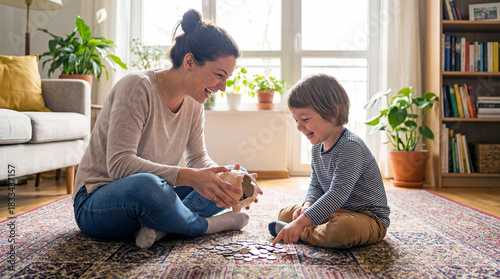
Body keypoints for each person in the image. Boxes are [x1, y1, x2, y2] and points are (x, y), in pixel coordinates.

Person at [73, 9, 262, 249]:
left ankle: (160, 226)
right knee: (149, 186)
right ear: (190, 62)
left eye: (227, 78)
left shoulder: (194, 102)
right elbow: (119, 164)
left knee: (229, 176)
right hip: (96, 202)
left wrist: (229, 178)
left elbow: (197, 158)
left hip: (157, 194)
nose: (223, 87)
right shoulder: (137, 87)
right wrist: (189, 177)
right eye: (219, 75)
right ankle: (206, 225)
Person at [268, 73, 390, 249]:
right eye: (296, 120)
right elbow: (316, 185)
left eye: (305, 119)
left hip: (368, 218)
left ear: (332, 114)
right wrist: (307, 206)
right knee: (286, 214)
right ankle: (303, 229)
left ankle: (302, 233)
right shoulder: (317, 146)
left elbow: (337, 194)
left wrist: (301, 223)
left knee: (341, 231)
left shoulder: (351, 146)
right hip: (336, 210)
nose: (299, 127)